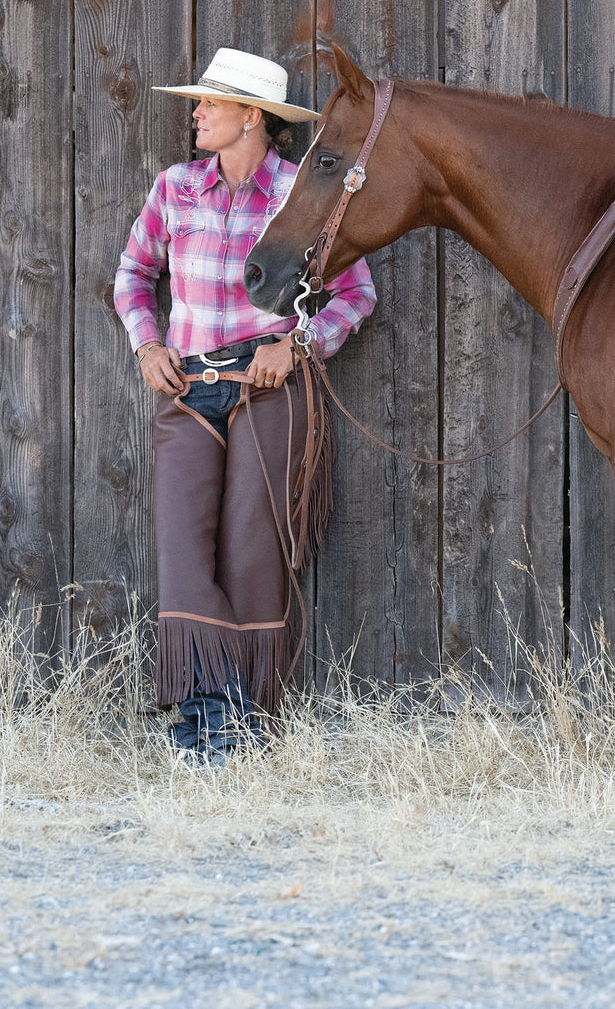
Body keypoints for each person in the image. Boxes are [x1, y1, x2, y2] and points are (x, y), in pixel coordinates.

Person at [114, 47, 376, 761]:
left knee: (254, 552)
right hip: (189, 387)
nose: (196, 114)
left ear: (252, 118)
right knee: (182, 551)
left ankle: (245, 720)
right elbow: (134, 273)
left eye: (210, 104)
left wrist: (296, 345)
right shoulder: (176, 188)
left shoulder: (304, 196)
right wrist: (146, 346)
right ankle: (209, 709)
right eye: (200, 103)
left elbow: (357, 295)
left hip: (270, 391)